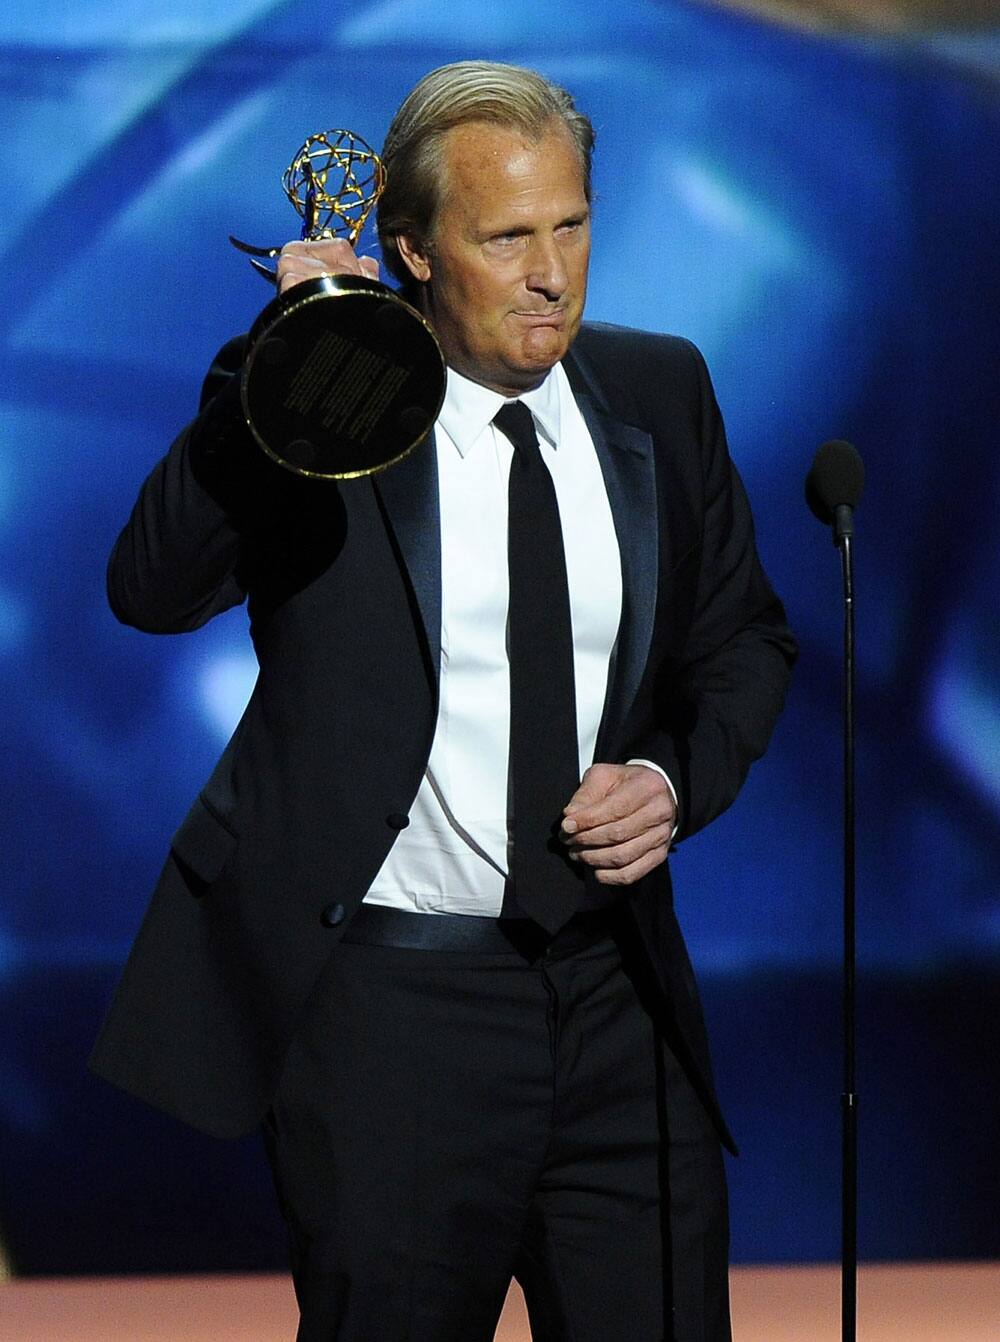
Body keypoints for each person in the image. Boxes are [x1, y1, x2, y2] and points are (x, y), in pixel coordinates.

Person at [91, 60, 796, 1342]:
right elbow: (150, 588)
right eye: (507, 237)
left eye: (572, 225)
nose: (552, 272)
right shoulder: (327, 407)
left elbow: (743, 639)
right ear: (410, 252)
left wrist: (672, 779)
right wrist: (285, 359)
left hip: (618, 1004)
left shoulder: (661, 390)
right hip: (391, 1020)